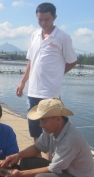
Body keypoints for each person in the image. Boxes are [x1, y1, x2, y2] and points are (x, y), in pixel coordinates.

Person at [0, 98, 94, 177]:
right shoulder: (51, 131)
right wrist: (17, 155)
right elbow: (37, 147)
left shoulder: (71, 138)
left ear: (58, 119)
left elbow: (52, 169)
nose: (40, 125)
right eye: (40, 121)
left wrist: (19, 174)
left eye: (44, 120)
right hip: (65, 173)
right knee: (26, 162)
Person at [16, 3, 77, 143]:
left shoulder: (62, 37)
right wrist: (22, 82)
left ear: (54, 17)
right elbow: (31, 61)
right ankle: (37, 157)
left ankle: (50, 160)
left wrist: (58, 74)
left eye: (47, 19)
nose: (43, 23)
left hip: (51, 93)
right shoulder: (34, 35)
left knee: (51, 129)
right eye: (40, 19)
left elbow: (72, 61)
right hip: (33, 92)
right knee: (35, 127)